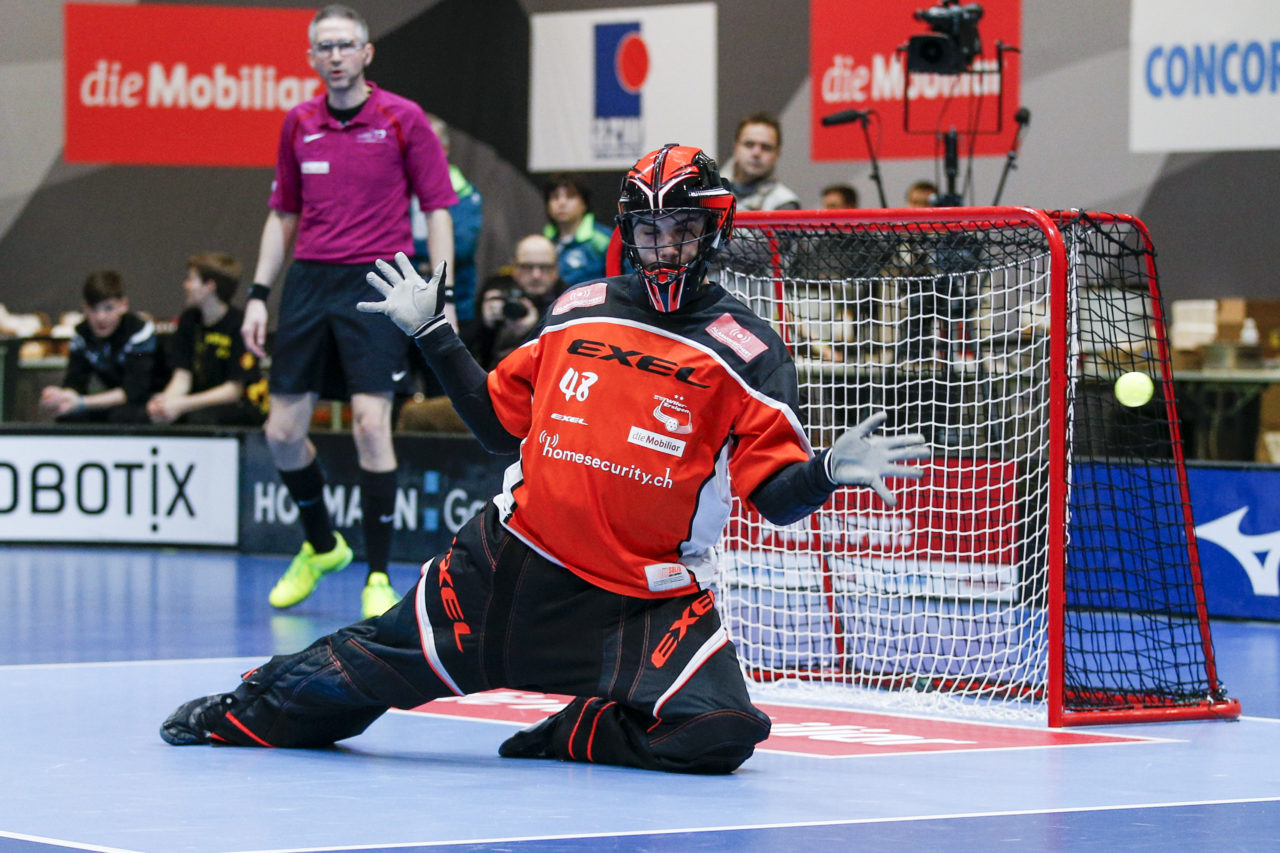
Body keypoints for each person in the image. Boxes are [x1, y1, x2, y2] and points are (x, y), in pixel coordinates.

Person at [160, 144, 929, 774]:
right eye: (653, 233)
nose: (667, 249)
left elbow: (775, 495)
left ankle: (579, 731)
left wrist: (827, 470)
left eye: (683, 231)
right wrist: (435, 335)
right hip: (505, 570)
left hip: (642, 601)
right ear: (632, 232)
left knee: (724, 730)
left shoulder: (752, 351)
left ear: (713, 231)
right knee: (348, 681)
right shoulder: (575, 306)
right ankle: (235, 708)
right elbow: (500, 426)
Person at [241, 4, 458, 620]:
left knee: (369, 424)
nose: (335, 55)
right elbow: (283, 213)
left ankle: (379, 575)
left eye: (346, 45)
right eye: (324, 47)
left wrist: (437, 292)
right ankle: (320, 546)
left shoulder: (402, 118)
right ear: (312, 59)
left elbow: (438, 207)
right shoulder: (298, 123)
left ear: (366, 54)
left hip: (378, 280)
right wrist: (259, 293)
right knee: (281, 434)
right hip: (309, 282)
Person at [397, 235, 564, 433]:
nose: (536, 275)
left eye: (545, 268)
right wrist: (484, 324)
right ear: (514, 267)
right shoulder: (496, 288)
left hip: (535, 402)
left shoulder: (566, 300)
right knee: (413, 414)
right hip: (488, 391)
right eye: (527, 267)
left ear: (556, 270)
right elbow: (465, 348)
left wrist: (531, 329)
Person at [146, 252, 267, 427]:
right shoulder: (189, 319)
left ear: (209, 286)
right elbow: (182, 376)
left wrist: (181, 404)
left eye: (192, 280)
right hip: (199, 402)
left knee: (201, 419)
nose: (186, 285)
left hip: (239, 407)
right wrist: (165, 403)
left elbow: (233, 391)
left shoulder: (240, 324)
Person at [40, 270, 163, 424]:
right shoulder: (81, 334)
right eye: (94, 309)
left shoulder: (139, 332)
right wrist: (59, 397)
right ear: (84, 308)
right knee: (67, 415)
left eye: (108, 308)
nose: (100, 317)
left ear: (123, 305)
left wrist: (82, 402)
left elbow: (134, 391)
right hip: (115, 402)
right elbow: (75, 383)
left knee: (125, 416)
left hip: (152, 400)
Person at [411, 113, 483, 325]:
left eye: (429, 144)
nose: (421, 153)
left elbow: (460, 248)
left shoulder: (464, 192)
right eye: (415, 145)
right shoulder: (398, 191)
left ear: (445, 149)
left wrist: (410, 251)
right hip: (405, 306)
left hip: (454, 305)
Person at [542, 173, 612, 285]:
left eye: (570, 196)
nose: (562, 203)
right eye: (555, 197)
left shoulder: (603, 240)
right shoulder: (543, 241)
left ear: (584, 203)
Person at [724, 113, 800, 211]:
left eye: (766, 147)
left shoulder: (784, 202)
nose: (756, 153)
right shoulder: (712, 195)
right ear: (735, 148)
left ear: (777, 154)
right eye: (749, 144)